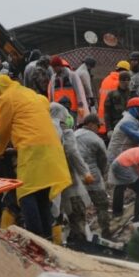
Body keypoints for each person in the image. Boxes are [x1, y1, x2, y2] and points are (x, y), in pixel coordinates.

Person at [0, 74, 70, 240]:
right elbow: (43, 104)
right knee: (41, 193)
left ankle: (36, 238)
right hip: (52, 148)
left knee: (26, 193)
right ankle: (47, 238)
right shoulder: (31, 94)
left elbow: (0, 130)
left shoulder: (7, 98)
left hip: (32, 148)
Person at [50, 102, 92, 240]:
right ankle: (80, 248)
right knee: (77, 216)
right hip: (68, 182)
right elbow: (72, 151)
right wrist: (85, 172)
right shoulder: (64, 130)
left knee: (54, 216)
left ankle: (55, 245)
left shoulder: (43, 129)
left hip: (49, 182)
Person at [74, 114, 111, 237]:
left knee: (78, 209)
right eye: (97, 126)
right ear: (90, 124)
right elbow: (103, 159)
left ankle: (80, 236)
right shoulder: (96, 139)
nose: (99, 129)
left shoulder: (73, 135)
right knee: (102, 205)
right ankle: (106, 232)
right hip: (93, 176)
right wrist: (101, 172)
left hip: (76, 177)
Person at [107, 96, 139, 163]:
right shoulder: (127, 122)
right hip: (117, 158)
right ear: (133, 109)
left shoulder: (135, 121)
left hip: (124, 156)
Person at [109, 146, 139, 222]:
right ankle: (138, 218)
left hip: (118, 163)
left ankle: (117, 212)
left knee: (120, 186)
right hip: (123, 166)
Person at [48, 56, 88, 121]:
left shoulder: (72, 75)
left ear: (59, 65)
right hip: (58, 108)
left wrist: (80, 105)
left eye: (55, 67)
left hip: (71, 108)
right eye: (53, 67)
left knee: (71, 126)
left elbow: (78, 91)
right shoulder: (53, 78)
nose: (54, 69)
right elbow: (51, 94)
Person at [102, 72, 132, 138]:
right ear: (119, 81)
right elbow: (107, 113)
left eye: (128, 80)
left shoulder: (133, 94)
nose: (126, 82)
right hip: (116, 125)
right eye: (123, 80)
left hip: (131, 126)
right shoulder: (112, 95)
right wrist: (109, 129)